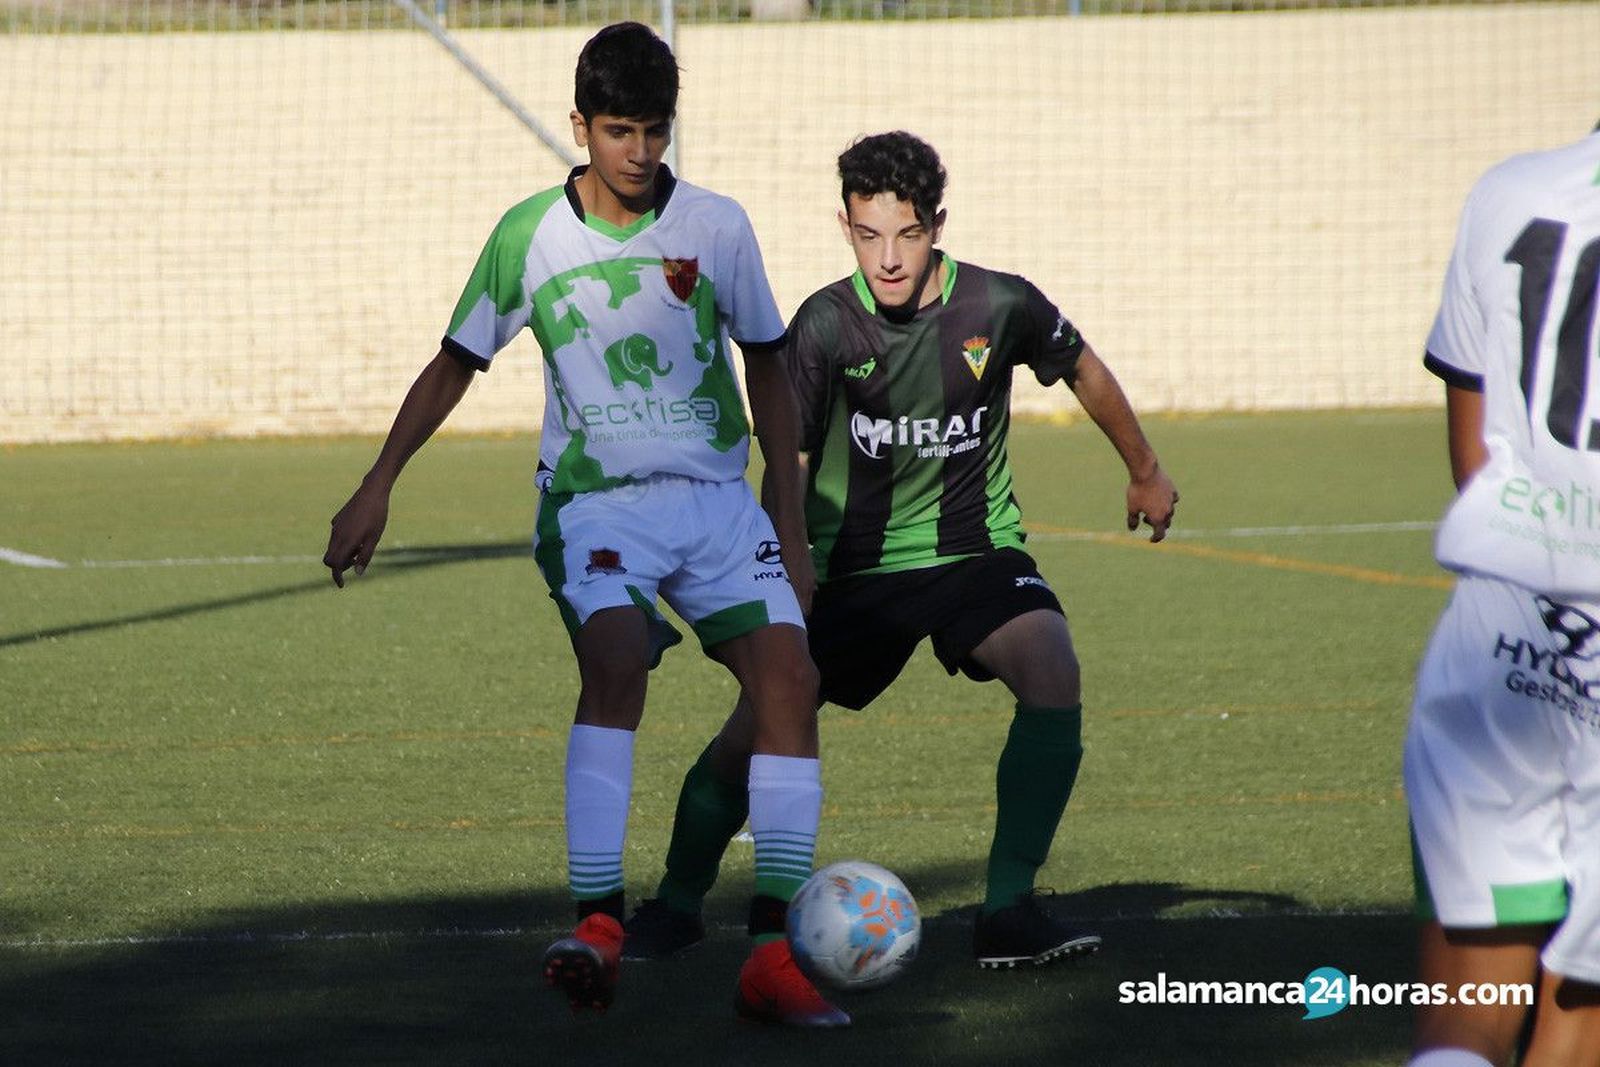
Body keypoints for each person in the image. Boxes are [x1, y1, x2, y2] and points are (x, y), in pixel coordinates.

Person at [322, 22, 849, 1028]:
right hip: (595, 506)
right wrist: (377, 482)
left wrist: (788, 522)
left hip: (715, 504)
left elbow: (769, 364)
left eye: (655, 130)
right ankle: (599, 925)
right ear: (580, 125)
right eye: (618, 131)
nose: (640, 153)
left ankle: (772, 957)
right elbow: (455, 361)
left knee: (791, 682)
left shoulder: (719, 226)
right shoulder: (530, 236)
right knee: (614, 660)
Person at [622, 131, 1178, 970]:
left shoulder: (999, 305)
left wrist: (1144, 468)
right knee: (760, 725)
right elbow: (787, 459)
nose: (887, 257)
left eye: (907, 234)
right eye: (868, 234)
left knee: (1052, 668)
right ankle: (675, 902)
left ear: (937, 226)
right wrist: (789, 563)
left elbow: (1083, 367)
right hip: (850, 573)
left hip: (973, 553)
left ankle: (1007, 909)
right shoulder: (823, 325)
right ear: (845, 226)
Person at [1401, 124, 1600, 1067]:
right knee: (1580, 1021)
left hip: (1501, 629)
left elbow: (1473, 456)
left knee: (1470, 1008)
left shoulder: (1510, 190)